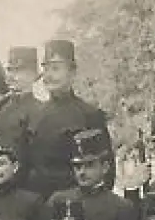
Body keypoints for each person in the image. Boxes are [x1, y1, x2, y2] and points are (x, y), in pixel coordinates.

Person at [25, 40, 113, 199]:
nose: (48, 76)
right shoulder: (34, 115)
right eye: (45, 69)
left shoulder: (89, 114)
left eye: (55, 69)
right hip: (40, 204)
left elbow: (107, 172)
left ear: (72, 73)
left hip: (76, 203)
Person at [43, 128, 141, 220]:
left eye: (89, 165)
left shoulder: (120, 207)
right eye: (78, 166)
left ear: (105, 167)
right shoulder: (58, 200)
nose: (82, 172)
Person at [0, 46, 43, 182]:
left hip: (27, 183)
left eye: (18, 71)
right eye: (10, 70)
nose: (12, 76)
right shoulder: (0, 109)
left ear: (33, 75)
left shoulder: (39, 110)